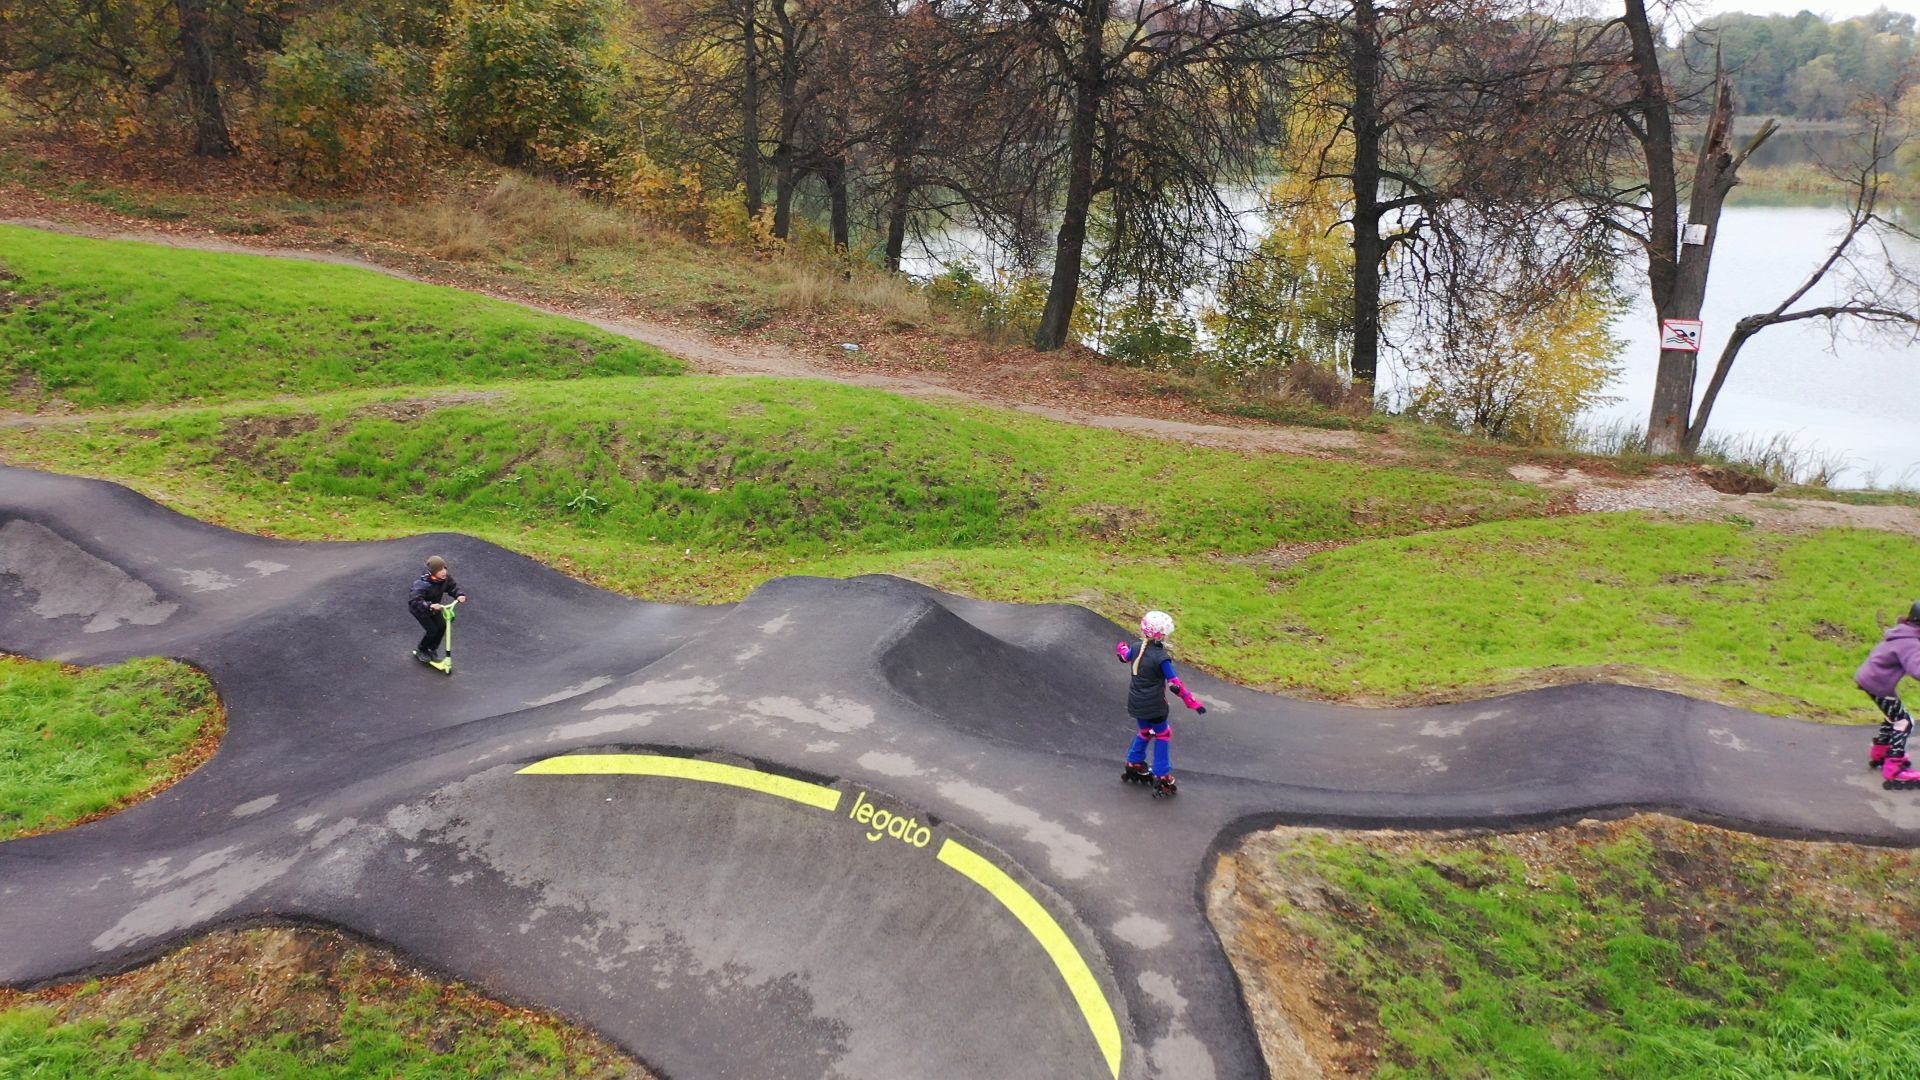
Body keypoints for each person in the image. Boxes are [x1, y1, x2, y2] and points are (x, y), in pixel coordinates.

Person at [1116, 610, 1205, 798]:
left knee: (1146, 731)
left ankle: (1135, 762)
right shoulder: (1161, 657)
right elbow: (1176, 684)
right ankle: (1162, 774)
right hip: (1155, 706)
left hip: (1135, 704)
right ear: (1161, 634)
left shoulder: (1136, 646)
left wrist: (1121, 647)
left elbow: (1125, 656)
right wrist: (1193, 703)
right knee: (1164, 734)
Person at [1863, 601, 1920, 788]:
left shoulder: (1903, 631)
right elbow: (1916, 669)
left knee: (1893, 716)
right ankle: (1894, 769)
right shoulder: (1910, 643)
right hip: (1878, 685)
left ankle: (1881, 751)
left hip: (1870, 679)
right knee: (1905, 722)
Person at [408, 555, 467, 666]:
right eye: (440, 570)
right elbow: (414, 601)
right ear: (433, 572)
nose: (444, 571)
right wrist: (430, 606)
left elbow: (453, 587)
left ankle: (432, 648)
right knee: (432, 630)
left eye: (445, 568)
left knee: (442, 626)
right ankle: (422, 649)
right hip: (421, 610)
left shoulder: (445, 579)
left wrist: (459, 595)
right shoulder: (422, 584)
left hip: (435, 608)